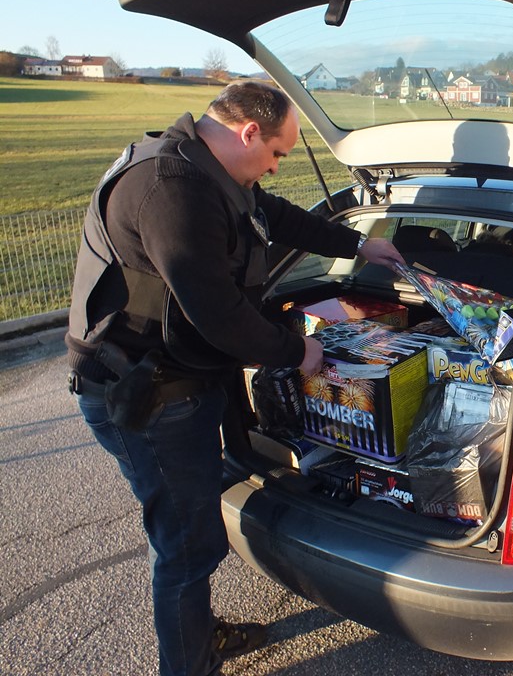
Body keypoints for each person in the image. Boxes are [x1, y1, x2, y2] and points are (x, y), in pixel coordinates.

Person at [65, 81, 403, 676]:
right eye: (276, 154)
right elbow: (217, 314)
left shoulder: (209, 170)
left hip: (177, 378)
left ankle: (196, 634)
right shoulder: (171, 188)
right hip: (148, 395)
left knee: (190, 538)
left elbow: (277, 217)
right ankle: (190, 661)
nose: (274, 168)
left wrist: (359, 244)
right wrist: (297, 351)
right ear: (249, 132)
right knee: (187, 546)